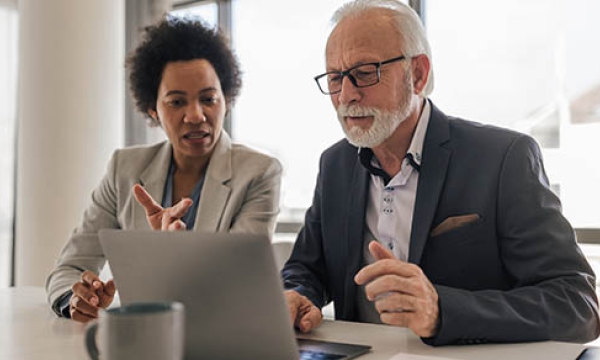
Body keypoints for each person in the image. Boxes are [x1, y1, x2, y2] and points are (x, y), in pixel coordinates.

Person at [282, 0, 599, 346]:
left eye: (364, 73)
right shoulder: (335, 165)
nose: (346, 95)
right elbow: (307, 269)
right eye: (334, 77)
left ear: (417, 74)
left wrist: (442, 311)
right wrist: (297, 295)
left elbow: (578, 305)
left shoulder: (502, 158)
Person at [46, 17, 282, 323]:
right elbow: (69, 268)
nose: (196, 115)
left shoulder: (260, 173)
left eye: (208, 99)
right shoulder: (124, 170)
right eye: (177, 101)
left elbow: (234, 284)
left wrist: (172, 255)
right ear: (153, 110)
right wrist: (77, 299)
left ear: (226, 100)